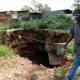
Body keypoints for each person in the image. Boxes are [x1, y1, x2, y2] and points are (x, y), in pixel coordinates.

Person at [64, 9, 80, 80]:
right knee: (77, 61)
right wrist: (66, 43)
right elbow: (71, 35)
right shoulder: (75, 25)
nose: (75, 17)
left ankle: (69, 77)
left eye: (76, 15)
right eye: (74, 15)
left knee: (76, 62)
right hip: (77, 48)